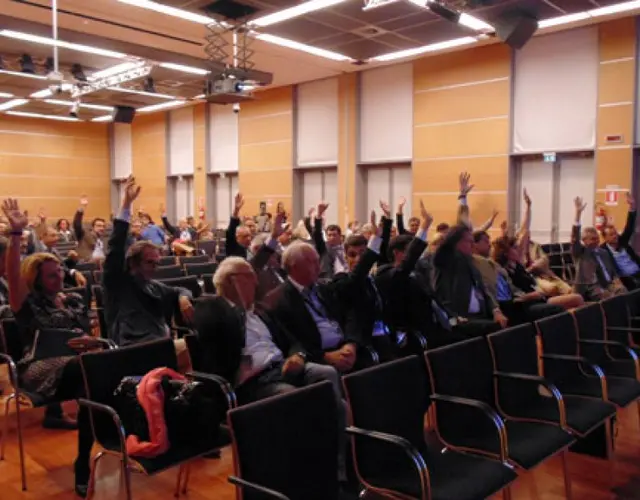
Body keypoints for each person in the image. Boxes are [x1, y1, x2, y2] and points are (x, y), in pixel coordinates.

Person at [2, 198, 95, 497]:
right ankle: (87, 460)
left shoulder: (73, 300)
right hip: (38, 367)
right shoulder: (27, 304)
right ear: (37, 280)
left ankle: (86, 456)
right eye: (52, 275)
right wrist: (16, 235)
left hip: (77, 366)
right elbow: (13, 276)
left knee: (96, 379)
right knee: (91, 374)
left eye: (60, 273)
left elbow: (86, 332)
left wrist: (90, 341)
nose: (60, 278)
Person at [102, 176, 194, 370]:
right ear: (133, 263)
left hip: (159, 345)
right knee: (190, 351)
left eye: (157, 263)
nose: (155, 267)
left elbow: (179, 290)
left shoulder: (153, 285)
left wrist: (184, 298)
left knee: (197, 345)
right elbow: (115, 246)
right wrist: (126, 204)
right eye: (150, 262)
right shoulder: (118, 283)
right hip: (133, 349)